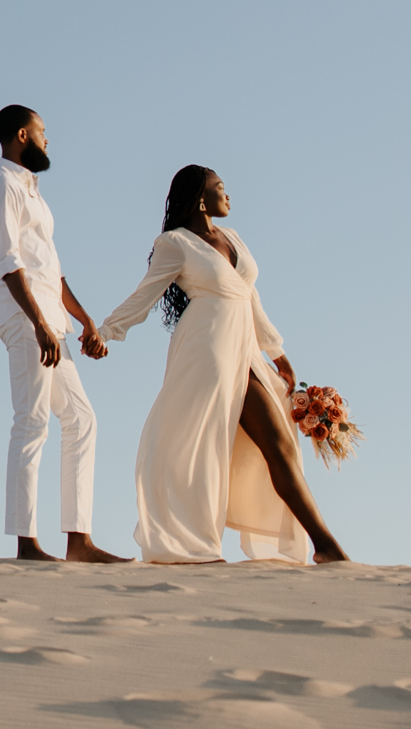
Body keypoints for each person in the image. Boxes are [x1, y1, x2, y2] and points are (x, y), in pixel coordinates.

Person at [95, 165, 351, 565]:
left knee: (280, 443)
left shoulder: (233, 237)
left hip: (245, 349)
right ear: (201, 198)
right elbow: (144, 295)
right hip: (207, 349)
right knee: (203, 446)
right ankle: (197, 546)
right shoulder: (174, 243)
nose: (228, 196)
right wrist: (107, 331)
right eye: (220, 188)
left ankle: (325, 545)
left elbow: (251, 298)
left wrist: (277, 352)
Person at [0, 106, 129, 562]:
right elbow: (8, 262)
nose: (48, 140)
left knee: (82, 419)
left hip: (49, 322)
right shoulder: (1, 185)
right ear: (23, 134)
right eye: (43, 132)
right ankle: (27, 544)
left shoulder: (33, 192)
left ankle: (78, 541)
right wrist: (40, 323)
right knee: (32, 421)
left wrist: (83, 320)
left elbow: (53, 272)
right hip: (26, 320)